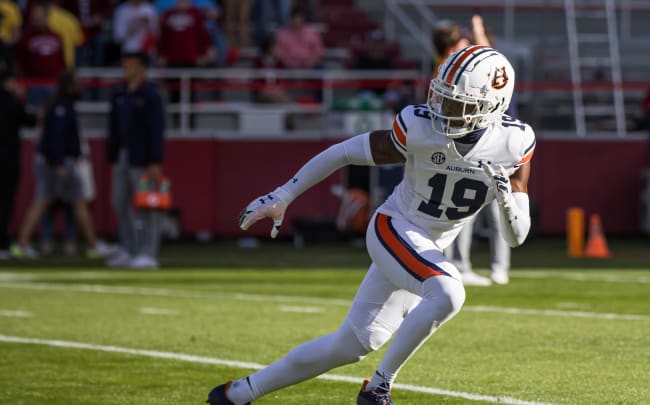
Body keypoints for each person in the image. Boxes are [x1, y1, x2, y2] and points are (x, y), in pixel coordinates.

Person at [207, 46, 535, 405]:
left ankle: (239, 392)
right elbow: (346, 151)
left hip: (427, 247)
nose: (444, 111)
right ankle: (379, 386)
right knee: (448, 293)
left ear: (493, 105)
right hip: (394, 226)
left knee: (352, 344)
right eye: (442, 98)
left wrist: (507, 201)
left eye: (459, 105)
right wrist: (283, 195)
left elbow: (516, 237)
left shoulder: (513, 143)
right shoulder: (420, 128)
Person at [432, 14, 510, 286]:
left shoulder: (486, 68)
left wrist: (477, 31)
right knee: (463, 209)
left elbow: (490, 58)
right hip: (465, 144)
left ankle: (497, 266)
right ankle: (459, 265)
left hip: (491, 142)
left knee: (501, 208)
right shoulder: (450, 68)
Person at [10, 70, 110, 259]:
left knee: (45, 203)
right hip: (59, 163)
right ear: (69, 85)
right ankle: (93, 245)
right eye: (76, 83)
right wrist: (60, 162)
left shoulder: (59, 104)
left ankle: (22, 243)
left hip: (56, 161)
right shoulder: (61, 107)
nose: (79, 87)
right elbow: (55, 137)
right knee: (76, 204)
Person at [106, 52, 165, 269]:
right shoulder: (119, 92)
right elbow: (113, 126)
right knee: (119, 202)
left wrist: (155, 160)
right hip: (122, 154)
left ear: (142, 67)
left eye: (130, 64)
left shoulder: (150, 94)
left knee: (147, 205)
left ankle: (148, 252)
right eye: (124, 64)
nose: (126, 68)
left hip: (142, 157)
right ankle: (129, 249)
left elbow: (156, 129)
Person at [0, 70, 37, 259]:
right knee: (5, 201)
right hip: (7, 159)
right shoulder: (12, 101)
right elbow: (30, 121)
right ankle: (2, 244)